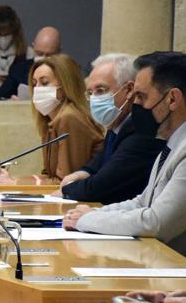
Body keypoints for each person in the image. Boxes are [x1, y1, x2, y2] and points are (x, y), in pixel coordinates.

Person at [64, 52, 186, 255]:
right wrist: (95, 213)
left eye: (141, 96)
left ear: (172, 99)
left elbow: (156, 222)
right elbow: (142, 202)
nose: (134, 104)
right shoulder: (171, 142)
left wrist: (88, 220)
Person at [52, 54, 166, 203]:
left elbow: (99, 187)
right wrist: (83, 172)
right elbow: (101, 163)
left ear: (129, 89)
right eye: (90, 93)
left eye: (101, 90)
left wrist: (66, 190)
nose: (94, 99)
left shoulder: (141, 130)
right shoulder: (117, 126)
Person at [29, 54, 104, 181]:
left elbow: (65, 182)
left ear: (65, 86)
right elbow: (49, 175)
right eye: (34, 83)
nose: (37, 89)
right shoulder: (50, 120)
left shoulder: (70, 117)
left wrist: (15, 182)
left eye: (45, 82)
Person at [0, 26, 61, 100]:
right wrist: (10, 102)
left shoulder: (67, 71)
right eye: (39, 54)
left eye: (49, 55)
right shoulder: (19, 70)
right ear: (33, 47)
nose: (43, 59)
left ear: (59, 52)